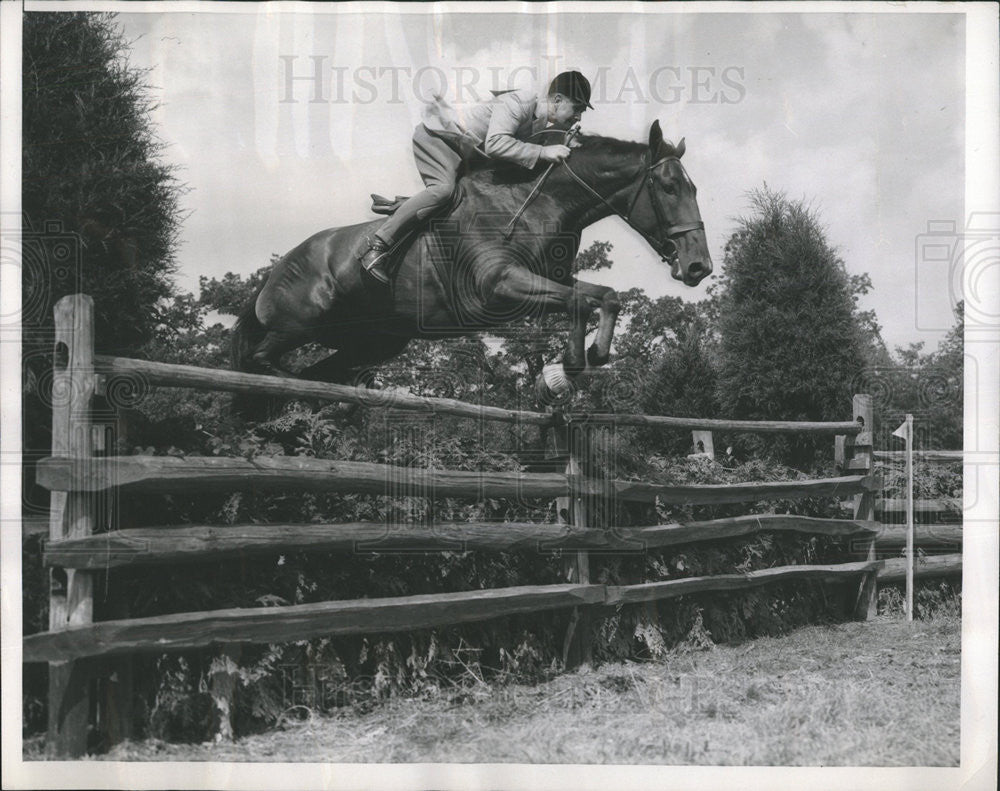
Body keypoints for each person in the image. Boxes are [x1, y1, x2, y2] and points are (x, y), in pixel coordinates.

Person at [359, 70, 594, 285]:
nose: (579, 117)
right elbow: (495, 144)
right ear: (558, 100)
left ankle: (411, 208)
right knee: (443, 190)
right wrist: (543, 151)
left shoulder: (543, 121)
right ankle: (378, 246)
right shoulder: (520, 102)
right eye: (578, 109)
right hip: (440, 139)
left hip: (467, 153)